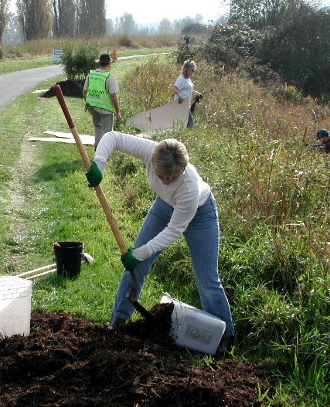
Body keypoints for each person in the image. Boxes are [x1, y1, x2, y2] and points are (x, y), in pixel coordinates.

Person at [85, 131, 235, 354]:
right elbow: (112, 137)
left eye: (172, 178)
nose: (166, 181)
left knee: (207, 279)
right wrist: (99, 164)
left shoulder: (189, 187)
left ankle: (225, 338)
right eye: (162, 176)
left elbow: (173, 231)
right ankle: (118, 321)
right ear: (153, 161)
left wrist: (140, 252)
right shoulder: (151, 151)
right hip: (164, 207)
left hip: (200, 216)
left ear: (182, 170)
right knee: (135, 269)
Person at [83, 53, 122, 148]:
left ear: (99, 63)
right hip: (106, 109)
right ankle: (105, 153)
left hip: (92, 107)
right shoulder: (110, 77)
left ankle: (97, 148)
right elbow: (113, 96)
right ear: (109, 64)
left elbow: (84, 91)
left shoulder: (91, 74)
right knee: (108, 133)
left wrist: (87, 103)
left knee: (97, 128)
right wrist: (118, 112)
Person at [172, 60, 201, 128]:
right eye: (192, 70)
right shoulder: (181, 79)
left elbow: (188, 89)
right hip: (180, 104)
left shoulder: (188, 79)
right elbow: (174, 88)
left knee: (184, 123)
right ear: (187, 70)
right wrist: (181, 95)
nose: (193, 72)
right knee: (190, 124)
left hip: (186, 104)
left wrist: (197, 93)